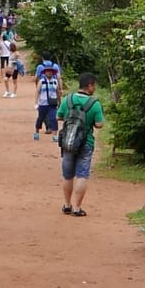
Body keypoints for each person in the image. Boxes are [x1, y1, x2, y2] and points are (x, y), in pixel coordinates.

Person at [56, 71, 105, 215]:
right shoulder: (94, 104)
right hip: (86, 143)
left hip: (68, 142)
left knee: (67, 175)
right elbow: (99, 124)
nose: (94, 88)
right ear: (89, 86)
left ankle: (66, 205)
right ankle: (77, 208)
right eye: (93, 85)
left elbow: (59, 116)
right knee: (82, 175)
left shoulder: (68, 99)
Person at [33, 52, 62, 140]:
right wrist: (36, 103)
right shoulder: (42, 82)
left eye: (50, 72)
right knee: (40, 118)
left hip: (52, 103)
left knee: (53, 118)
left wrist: (59, 101)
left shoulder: (54, 82)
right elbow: (37, 92)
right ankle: (37, 131)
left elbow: (58, 92)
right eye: (47, 72)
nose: (49, 73)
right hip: (42, 103)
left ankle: (54, 135)